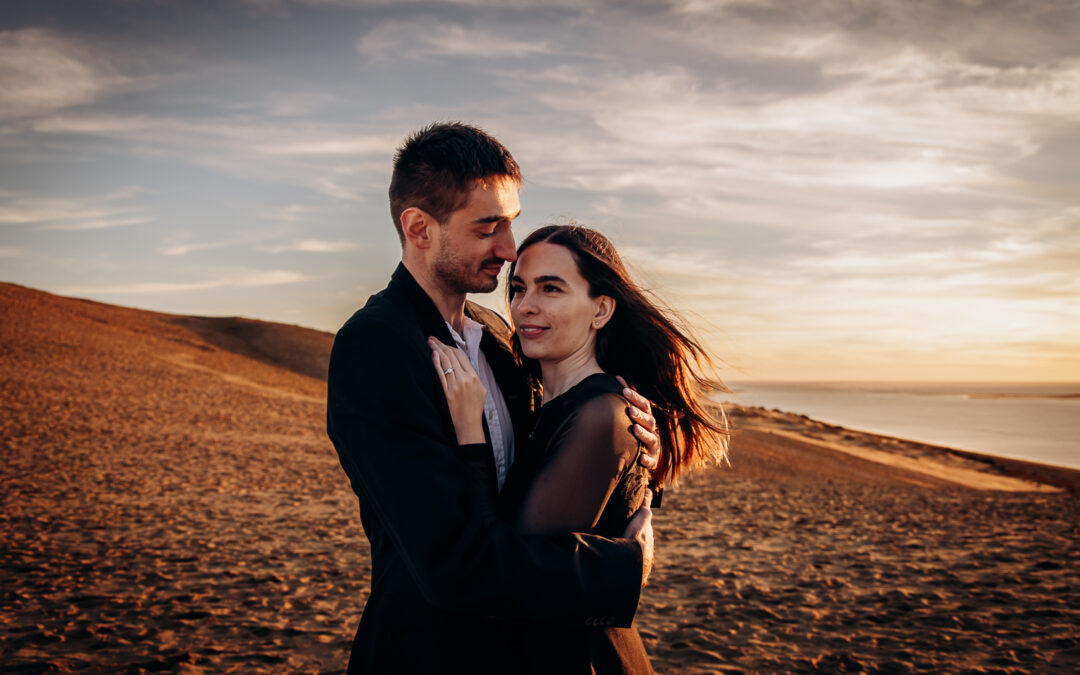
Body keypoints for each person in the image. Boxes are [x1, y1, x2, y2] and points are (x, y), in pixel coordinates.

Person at [326, 123, 662, 674]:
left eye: (510, 223)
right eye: (488, 228)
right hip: (433, 654)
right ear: (419, 228)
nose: (508, 249)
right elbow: (452, 565)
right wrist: (624, 568)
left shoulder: (500, 337)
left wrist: (636, 461)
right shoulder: (377, 347)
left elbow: (551, 461)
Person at [429, 224, 730, 673]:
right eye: (519, 288)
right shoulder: (548, 404)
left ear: (601, 310)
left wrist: (471, 435)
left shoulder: (600, 414)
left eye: (551, 288)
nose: (525, 306)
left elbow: (509, 576)